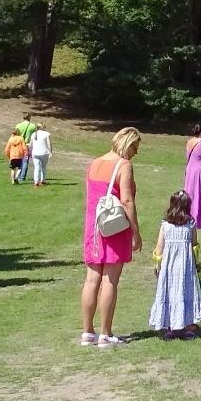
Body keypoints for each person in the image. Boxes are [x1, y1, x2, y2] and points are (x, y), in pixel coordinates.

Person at [82, 128, 142, 347]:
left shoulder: (94, 163)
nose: (135, 152)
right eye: (134, 147)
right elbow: (127, 201)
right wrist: (135, 231)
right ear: (126, 144)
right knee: (110, 280)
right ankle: (105, 334)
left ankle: (87, 332)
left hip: (93, 227)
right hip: (114, 227)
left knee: (91, 280)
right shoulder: (123, 165)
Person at [149, 190, 201, 339]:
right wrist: (197, 262)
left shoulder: (166, 225)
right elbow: (194, 245)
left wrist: (157, 263)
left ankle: (169, 326)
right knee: (186, 291)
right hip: (186, 266)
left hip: (169, 267)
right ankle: (187, 325)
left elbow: (159, 247)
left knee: (169, 291)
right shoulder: (191, 224)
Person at [27, 122, 53, 186]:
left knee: (36, 167)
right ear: (42, 127)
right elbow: (49, 144)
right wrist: (50, 152)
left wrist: (30, 152)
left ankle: (36, 182)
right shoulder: (46, 134)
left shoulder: (33, 134)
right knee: (43, 167)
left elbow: (30, 145)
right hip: (44, 152)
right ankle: (42, 180)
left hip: (35, 153)